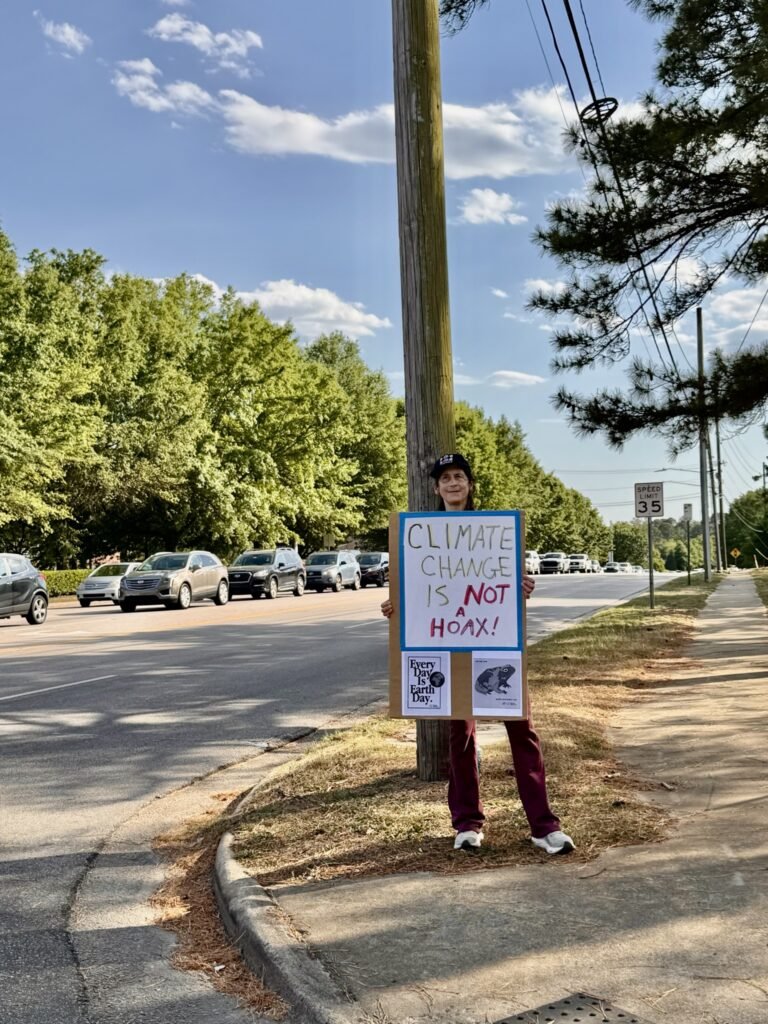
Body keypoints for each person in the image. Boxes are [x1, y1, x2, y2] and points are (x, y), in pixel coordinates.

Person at [382, 452, 574, 855]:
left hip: (495, 642)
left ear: (469, 486)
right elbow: (413, 592)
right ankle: (467, 824)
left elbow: (507, 586)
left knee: (522, 729)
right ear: (436, 489)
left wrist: (522, 588)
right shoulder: (422, 535)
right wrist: (394, 607)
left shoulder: (493, 533)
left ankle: (543, 825)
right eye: (445, 478)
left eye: (460, 477)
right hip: (447, 646)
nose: (453, 484)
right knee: (461, 735)